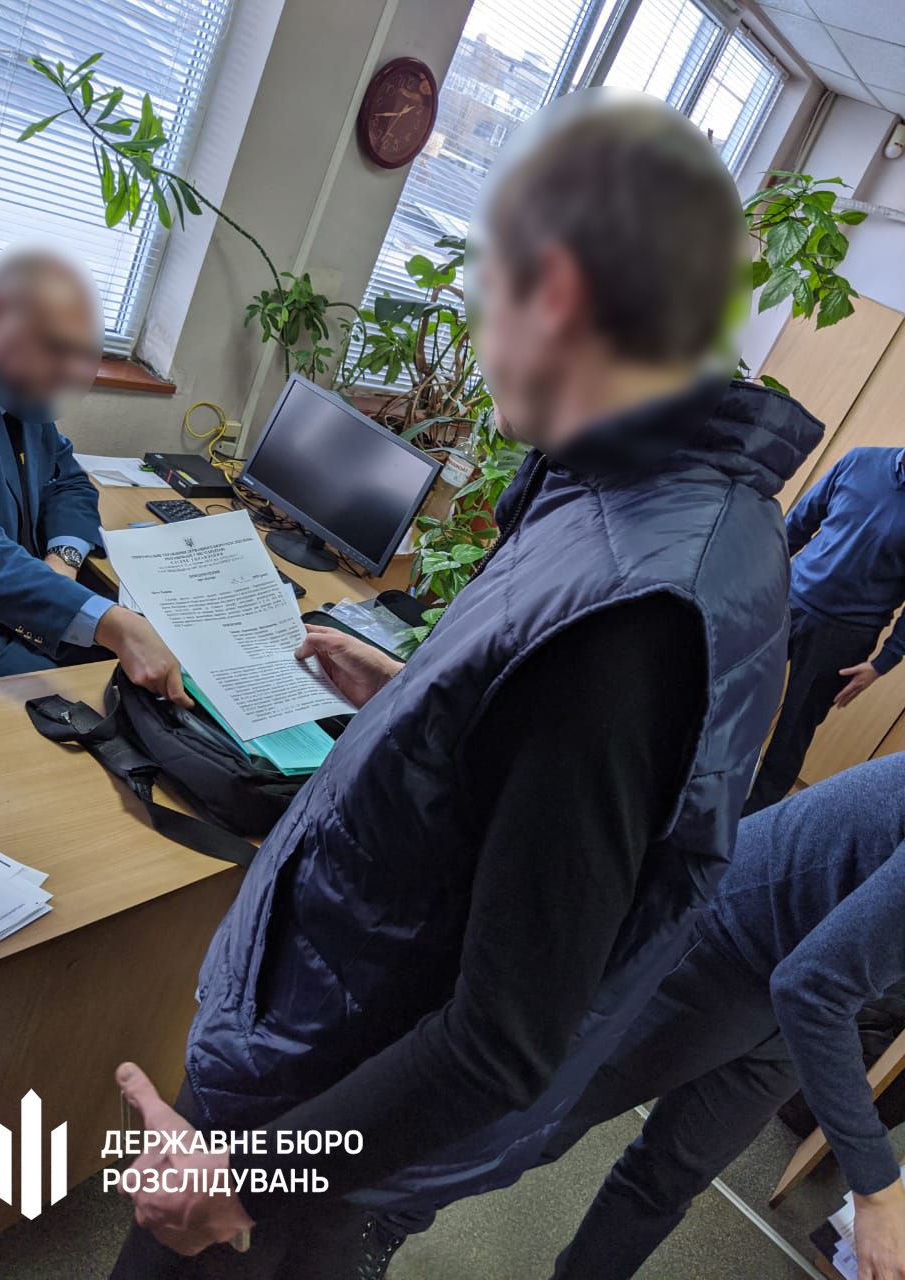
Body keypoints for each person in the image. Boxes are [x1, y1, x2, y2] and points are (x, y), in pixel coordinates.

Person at [109, 95, 822, 1279]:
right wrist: (417, 696)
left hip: (316, 1132)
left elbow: (502, 1037)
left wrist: (246, 1177)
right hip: (331, 1039)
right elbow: (553, 769)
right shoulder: (655, 495)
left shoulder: (636, 619)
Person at [542, 753, 905, 1280]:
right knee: (542, 1116)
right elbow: (810, 990)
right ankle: (404, 1196)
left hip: (811, 995)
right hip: (731, 939)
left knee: (668, 1179)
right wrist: (877, 1190)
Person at [0, 246, 190, 702]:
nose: (66, 372)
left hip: (20, 614)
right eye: (56, 348)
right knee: (116, 712)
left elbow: (69, 480)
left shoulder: (14, 379)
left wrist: (63, 559)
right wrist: (115, 626)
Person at [744, 446, 905, 813]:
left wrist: (882, 664)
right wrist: (757, 573)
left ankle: (750, 828)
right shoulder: (859, 460)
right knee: (732, 702)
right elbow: (800, 522)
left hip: (845, 637)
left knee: (791, 735)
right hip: (785, 601)